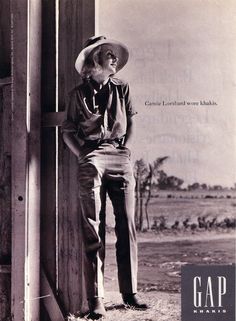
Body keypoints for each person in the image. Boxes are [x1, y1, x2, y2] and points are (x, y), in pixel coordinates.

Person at [61, 35, 147, 318]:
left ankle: (130, 292)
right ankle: (95, 298)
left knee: (127, 227)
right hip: (92, 157)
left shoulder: (123, 88)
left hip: (120, 155)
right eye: (108, 54)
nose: (114, 59)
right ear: (95, 60)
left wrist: (127, 149)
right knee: (92, 229)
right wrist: (83, 156)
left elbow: (131, 120)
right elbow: (68, 131)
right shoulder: (76, 95)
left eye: (114, 55)